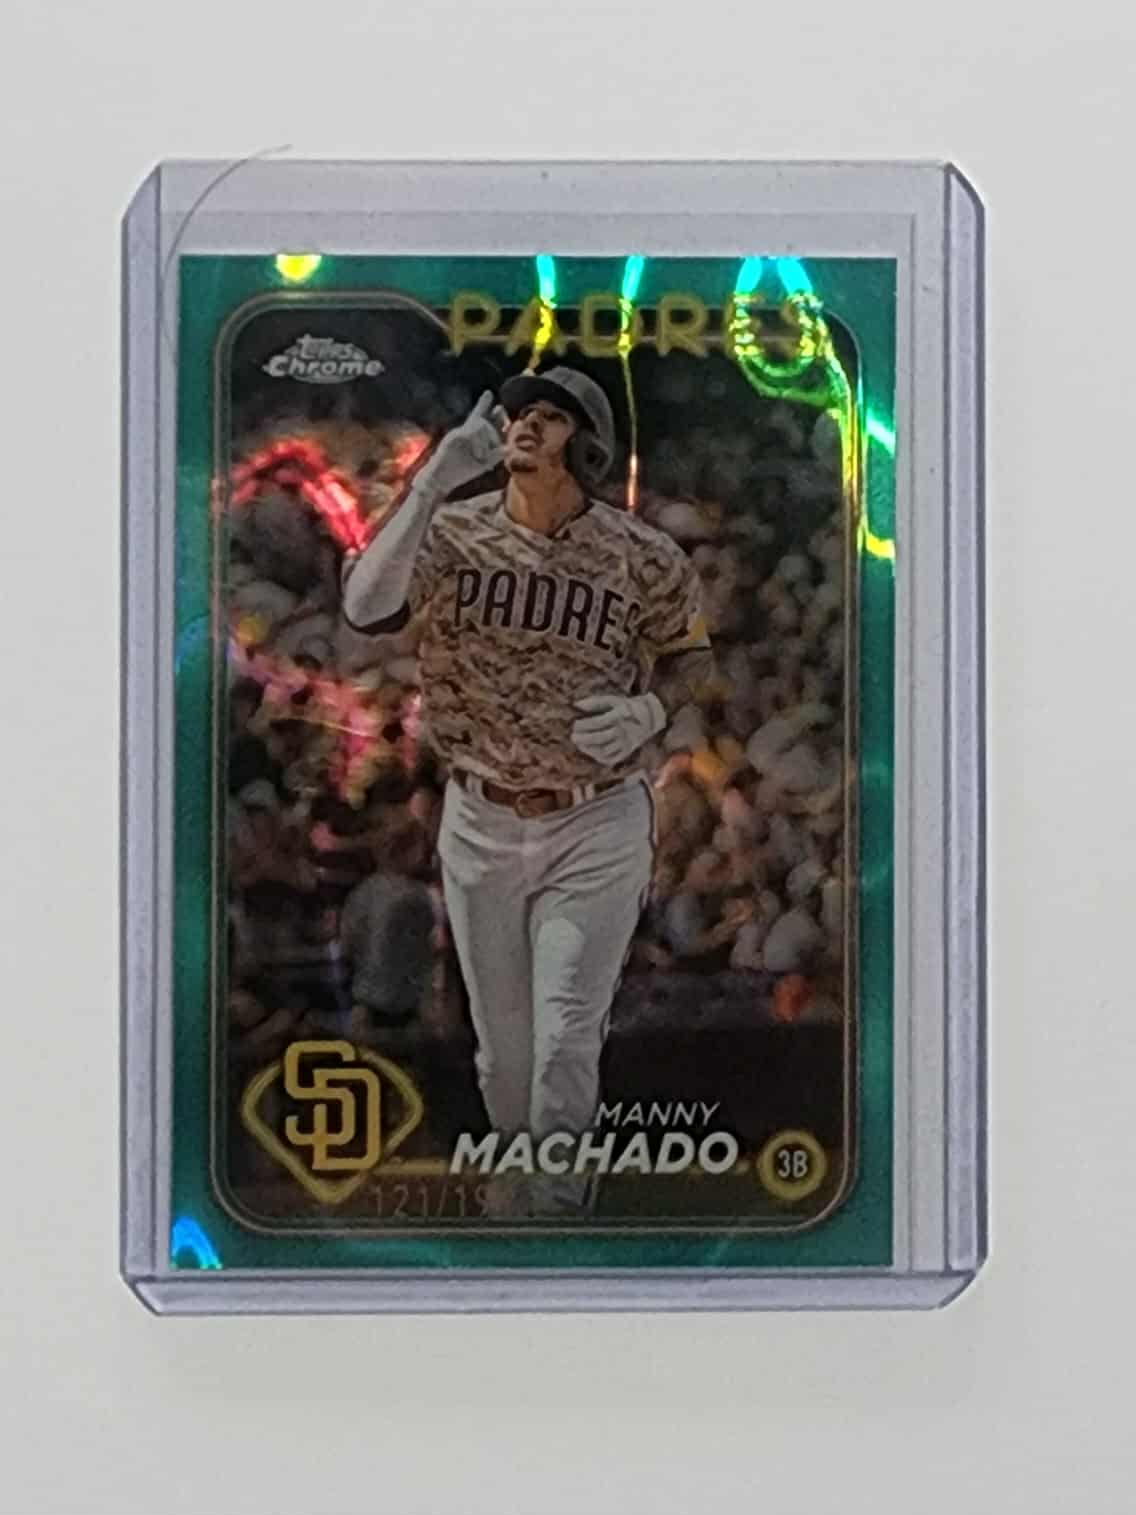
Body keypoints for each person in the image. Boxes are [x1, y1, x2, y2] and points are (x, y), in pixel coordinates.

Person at [341, 365, 714, 1215]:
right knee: (502, 1053)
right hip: (479, 812)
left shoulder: (640, 553)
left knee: (565, 1035)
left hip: (596, 817)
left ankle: (557, 1204)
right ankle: (522, 1188)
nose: (524, 425)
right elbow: (364, 606)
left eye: (549, 416)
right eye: (518, 412)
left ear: (589, 446)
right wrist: (434, 478)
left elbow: (695, 659)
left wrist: (652, 706)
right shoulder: (454, 530)